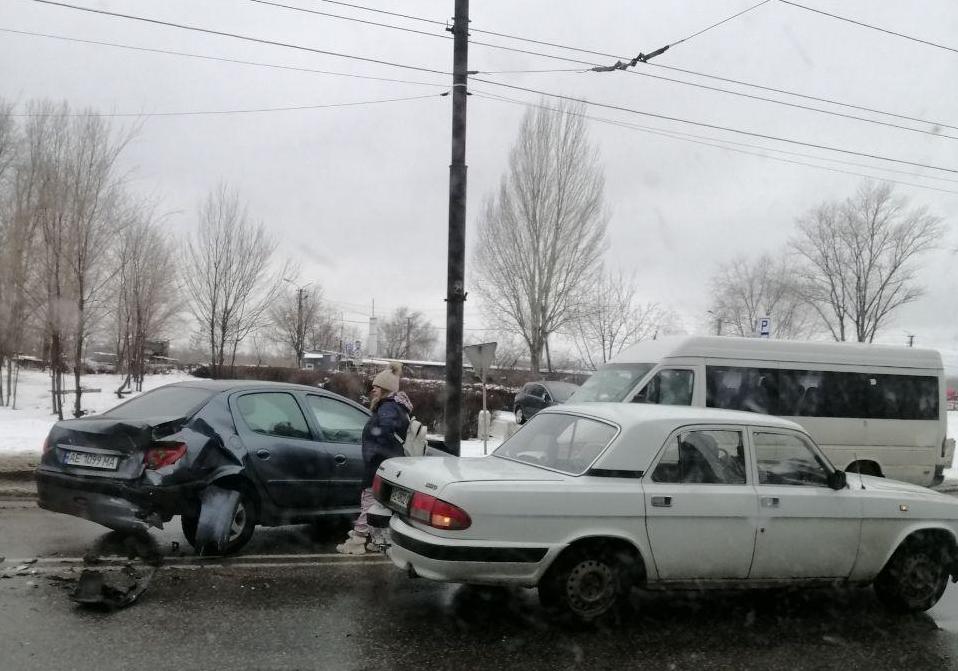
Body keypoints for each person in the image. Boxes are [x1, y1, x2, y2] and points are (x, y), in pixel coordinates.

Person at [336, 361, 412, 555]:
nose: (373, 390)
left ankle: (358, 540)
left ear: (386, 389)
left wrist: (374, 453)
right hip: (388, 463)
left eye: (377, 387)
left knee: (368, 501)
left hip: (379, 463)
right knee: (380, 503)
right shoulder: (395, 407)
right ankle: (378, 540)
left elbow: (383, 432)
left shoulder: (387, 408)